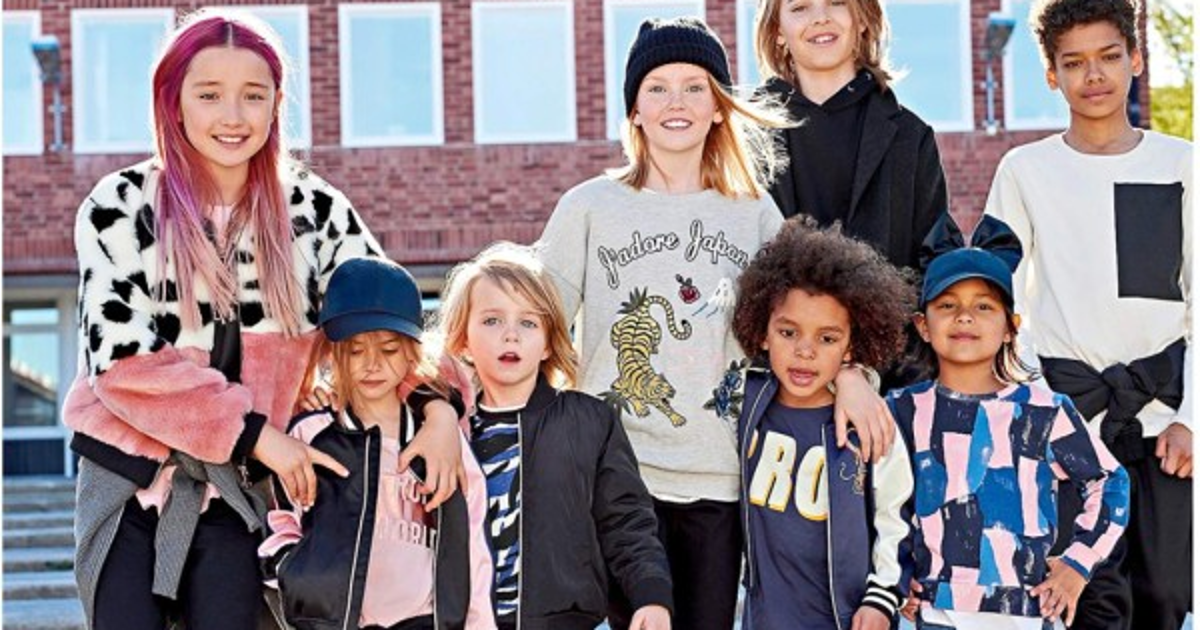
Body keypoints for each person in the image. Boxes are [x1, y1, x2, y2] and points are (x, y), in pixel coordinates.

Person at [63, 10, 462, 630]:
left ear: (277, 104)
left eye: (254, 95)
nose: (233, 115)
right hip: (128, 475)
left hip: (247, 491)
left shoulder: (317, 212)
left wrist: (439, 408)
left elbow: (390, 327)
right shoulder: (120, 205)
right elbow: (123, 365)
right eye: (209, 94)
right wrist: (254, 432)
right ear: (173, 101)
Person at [536, 16, 896, 630]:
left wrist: (853, 374)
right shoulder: (589, 207)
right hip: (617, 475)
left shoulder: (753, 212)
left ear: (719, 108)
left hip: (721, 477)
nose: (675, 102)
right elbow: (531, 323)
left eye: (694, 87)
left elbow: (806, 318)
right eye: (657, 87)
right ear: (634, 111)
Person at [984, 1, 1192, 628]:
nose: (1093, 75)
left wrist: (1192, 419)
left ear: (1136, 59)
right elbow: (997, 300)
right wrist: (1031, 406)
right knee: (1089, 602)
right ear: (1052, 75)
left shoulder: (1183, 164)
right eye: (1073, 63)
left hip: (1164, 427)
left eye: (1108, 57)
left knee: (1166, 595)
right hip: (1069, 426)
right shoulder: (1025, 171)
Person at [892, 217, 1130, 629]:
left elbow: (1110, 481)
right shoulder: (902, 410)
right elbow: (876, 502)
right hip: (933, 611)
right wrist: (896, 577)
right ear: (923, 326)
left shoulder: (1044, 410)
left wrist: (1077, 563)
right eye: (947, 305)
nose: (964, 317)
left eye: (984, 306)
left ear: (1010, 328)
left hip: (1027, 612)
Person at [436, 242, 673, 630]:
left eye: (528, 323)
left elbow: (626, 522)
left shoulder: (589, 421)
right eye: (492, 320)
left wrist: (651, 596)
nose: (510, 335)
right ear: (462, 339)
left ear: (548, 342)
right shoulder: (447, 428)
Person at [258, 257, 495, 630]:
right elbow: (284, 519)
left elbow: (473, 539)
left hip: (425, 621)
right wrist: (292, 570)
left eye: (388, 349)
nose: (372, 364)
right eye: (356, 350)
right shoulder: (313, 434)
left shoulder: (438, 437)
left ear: (412, 351)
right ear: (334, 352)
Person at [730, 216, 916, 630]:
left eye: (827, 338)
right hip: (764, 619)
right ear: (762, 332)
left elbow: (896, 513)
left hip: (848, 618)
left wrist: (882, 597)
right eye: (788, 332)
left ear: (852, 346)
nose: (805, 351)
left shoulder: (868, 422)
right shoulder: (744, 403)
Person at [752, 0, 948, 276]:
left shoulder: (911, 137)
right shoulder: (742, 136)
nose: (820, 17)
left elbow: (934, 264)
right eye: (800, 7)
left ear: (863, 19)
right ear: (777, 30)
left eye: (837, 2)